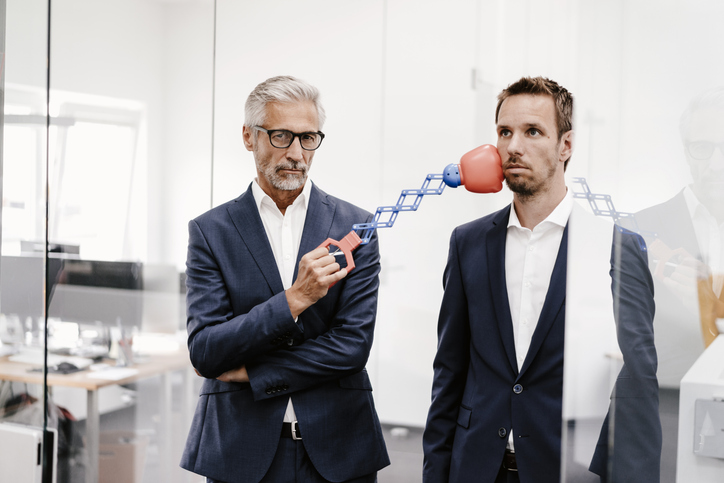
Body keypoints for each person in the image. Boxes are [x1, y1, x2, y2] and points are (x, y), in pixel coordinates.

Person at [422, 76, 661, 483]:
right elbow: (450, 372)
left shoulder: (613, 247)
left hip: (565, 468)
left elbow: (637, 382)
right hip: (477, 467)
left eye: (533, 131)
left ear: (565, 145)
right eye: (505, 132)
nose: (514, 146)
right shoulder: (468, 243)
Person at [180, 75, 389, 483]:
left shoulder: (358, 226)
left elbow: (351, 347)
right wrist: (294, 299)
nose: (296, 153)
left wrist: (254, 373)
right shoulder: (210, 231)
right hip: (240, 449)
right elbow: (206, 351)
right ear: (248, 137)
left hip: (339, 447)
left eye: (308, 138)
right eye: (281, 136)